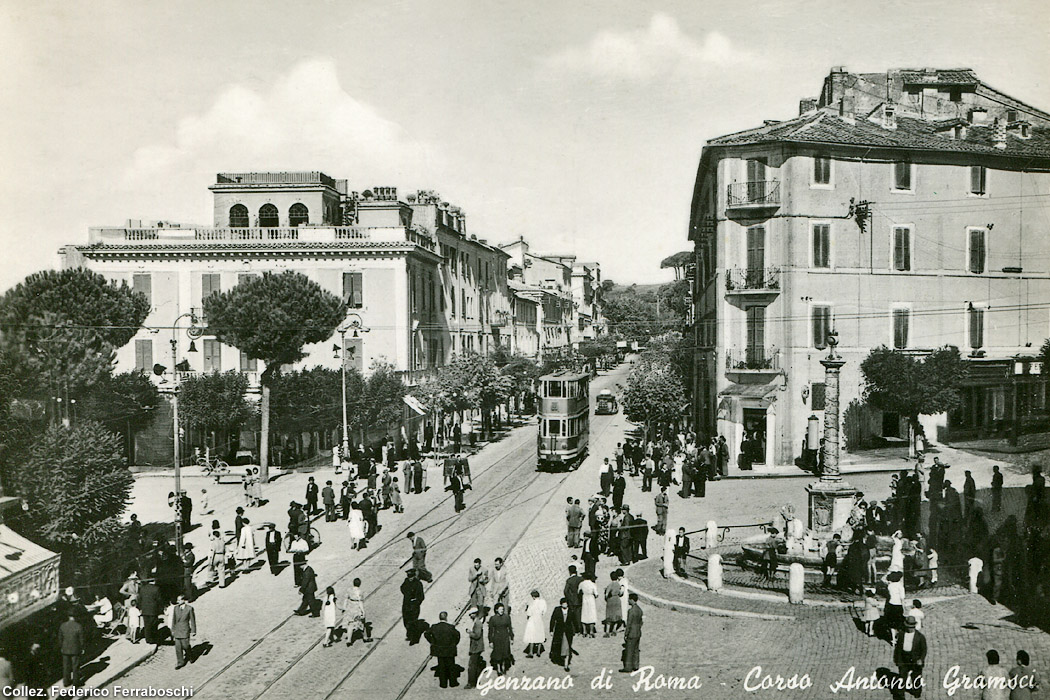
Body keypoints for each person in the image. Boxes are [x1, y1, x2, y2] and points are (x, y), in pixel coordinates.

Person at [892, 615, 926, 699]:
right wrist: (897, 659)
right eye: (908, 627)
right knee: (902, 677)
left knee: (916, 677)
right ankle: (900, 695)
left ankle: (917, 691)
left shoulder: (920, 637)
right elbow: (898, 648)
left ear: (914, 626)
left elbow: (924, 650)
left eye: (911, 627)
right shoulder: (901, 634)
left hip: (915, 659)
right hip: (904, 658)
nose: (909, 629)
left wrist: (921, 659)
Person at [425, 611, 461, 689]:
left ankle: (443, 683)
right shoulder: (450, 627)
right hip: (449, 650)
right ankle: (453, 682)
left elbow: (426, 634)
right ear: (446, 618)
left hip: (439, 650)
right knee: (451, 666)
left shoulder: (434, 627)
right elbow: (457, 636)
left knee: (441, 666)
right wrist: (454, 643)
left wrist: (432, 642)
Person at [488, 603, 514, 676]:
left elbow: (510, 628)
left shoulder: (507, 617)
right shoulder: (493, 619)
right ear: (496, 610)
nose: (501, 611)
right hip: (497, 638)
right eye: (500, 609)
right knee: (498, 654)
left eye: (502, 609)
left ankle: (504, 667)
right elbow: (490, 631)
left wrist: (511, 638)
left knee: (505, 653)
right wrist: (490, 641)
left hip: (505, 637)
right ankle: (499, 669)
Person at [171, 594, 196, 669]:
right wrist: (173, 629)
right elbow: (174, 620)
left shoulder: (189, 609)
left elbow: (192, 620)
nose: (177, 601)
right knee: (178, 647)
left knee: (185, 645)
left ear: (183, 600)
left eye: (179, 600)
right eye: (177, 600)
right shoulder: (175, 608)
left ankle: (190, 654)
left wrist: (193, 631)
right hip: (177, 629)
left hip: (185, 629)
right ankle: (180, 662)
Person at [549, 598, 575, 672]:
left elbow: (574, 621)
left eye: (566, 603)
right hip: (559, 631)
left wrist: (577, 630)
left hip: (568, 632)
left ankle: (566, 664)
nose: (564, 605)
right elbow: (553, 620)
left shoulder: (571, 611)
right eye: (563, 603)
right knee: (559, 646)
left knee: (567, 647)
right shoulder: (557, 610)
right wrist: (551, 630)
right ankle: (560, 660)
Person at [59, 613, 84, 687]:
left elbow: (60, 639)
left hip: (65, 649)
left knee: (66, 666)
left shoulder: (62, 626)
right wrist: (82, 648)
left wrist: (61, 647)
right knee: (75, 666)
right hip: (75, 650)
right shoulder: (78, 626)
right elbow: (81, 640)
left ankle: (66, 682)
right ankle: (76, 682)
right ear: (75, 617)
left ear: (68, 617)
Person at [401, 569, 425, 644]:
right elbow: (402, 588)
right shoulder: (406, 582)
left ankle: (413, 637)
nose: (410, 578)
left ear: (414, 576)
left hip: (414, 607)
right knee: (406, 621)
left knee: (413, 621)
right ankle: (409, 634)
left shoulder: (418, 584)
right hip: (406, 605)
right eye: (409, 576)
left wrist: (416, 602)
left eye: (411, 576)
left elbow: (421, 596)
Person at [346, 578, 372, 645]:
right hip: (357, 609)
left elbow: (347, 599)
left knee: (350, 624)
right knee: (362, 623)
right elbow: (360, 602)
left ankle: (349, 640)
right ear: (359, 584)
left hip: (350, 609)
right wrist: (363, 611)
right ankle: (365, 637)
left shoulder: (349, 590)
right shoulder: (360, 591)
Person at [621, 594, 643, 673]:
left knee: (629, 650)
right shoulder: (639, 610)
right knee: (636, 650)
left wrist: (626, 633)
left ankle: (628, 667)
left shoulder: (631, 611)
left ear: (632, 600)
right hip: (638, 632)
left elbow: (629, 623)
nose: (628, 601)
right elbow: (641, 622)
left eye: (629, 599)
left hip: (632, 633)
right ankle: (636, 665)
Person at [465, 608, 486, 689]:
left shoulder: (477, 623)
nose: (470, 616)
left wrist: (469, 632)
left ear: (474, 614)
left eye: (471, 614)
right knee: (475, 665)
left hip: (476, 647)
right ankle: (475, 681)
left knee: (472, 665)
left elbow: (477, 635)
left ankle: (471, 683)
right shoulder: (477, 622)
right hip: (477, 646)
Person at [523, 590, 547, 658]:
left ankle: (531, 652)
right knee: (539, 634)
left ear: (533, 597)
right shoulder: (543, 602)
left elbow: (529, 613)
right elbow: (544, 611)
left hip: (532, 620)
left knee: (531, 635)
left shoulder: (532, 603)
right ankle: (538, 652)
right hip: (539, 619)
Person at [138, 577, 162, 645]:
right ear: (153, 581)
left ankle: (148, 639)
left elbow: (140, 599)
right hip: (153, 610)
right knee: (153, 625)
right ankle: (153, 639)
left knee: (146, 625)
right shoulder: (156, 589)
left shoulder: (142, 589)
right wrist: (160, 608)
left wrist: (140, 608)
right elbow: (159, 599)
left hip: (145, 610)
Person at [884, 571, 906, 645]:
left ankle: (893, 639)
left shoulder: (890, 586)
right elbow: (902, 598)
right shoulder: (900, 586)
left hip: (891, 604)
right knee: (899, 622)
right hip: (898, 605)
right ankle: (899, 638)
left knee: (892, 623)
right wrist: (904, 608)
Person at [604, 570, 624, 636]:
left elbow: (607, 594)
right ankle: (614, 630)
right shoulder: (618, 584)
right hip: (617, 599)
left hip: (611, 599)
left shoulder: (610, 585)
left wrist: (607, 598)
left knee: (609, 615)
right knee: (616, 615)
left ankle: (607, 631)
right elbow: (621, 593)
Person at [579, 573, 599, 637]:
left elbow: (579, 592)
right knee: (592, 614)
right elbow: (596, 594)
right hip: (591, 599)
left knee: (584, 614)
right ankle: (591, 631)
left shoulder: (581, 584)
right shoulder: (593, 584)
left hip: (584, 598)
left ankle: (584, 631)